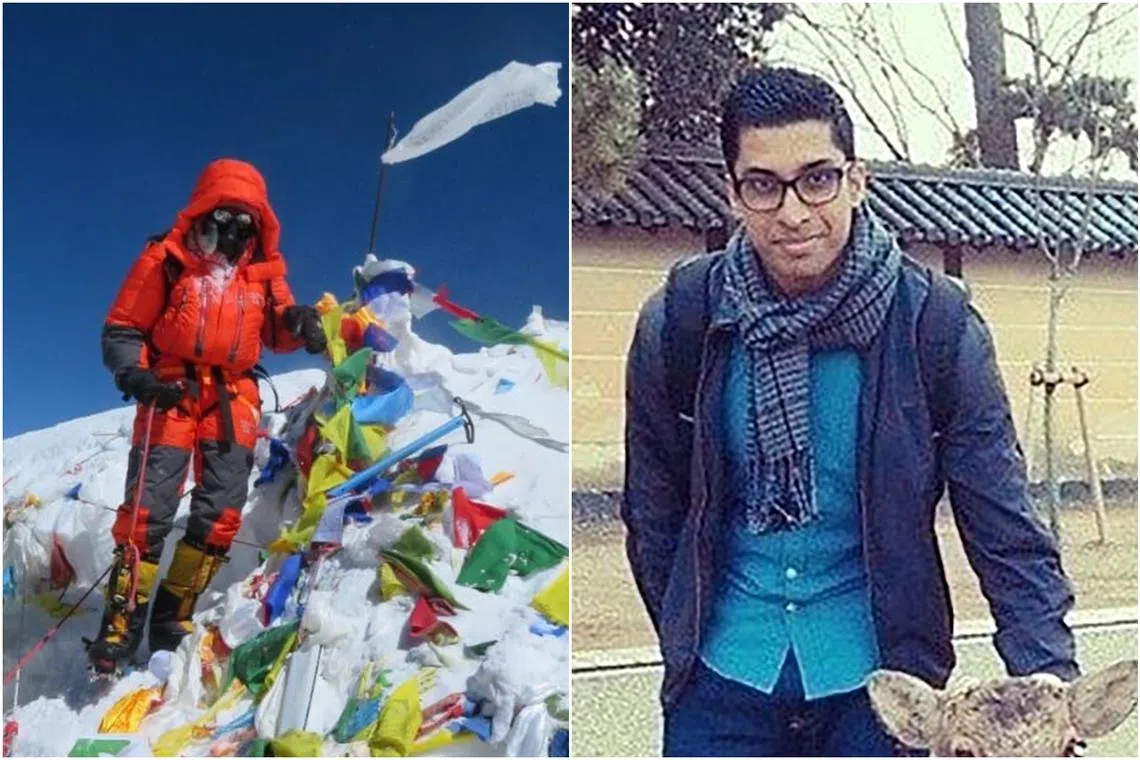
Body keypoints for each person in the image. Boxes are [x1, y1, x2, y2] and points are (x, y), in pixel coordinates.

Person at [621, 67, 1078, 757]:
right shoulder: (683, 322)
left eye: (818, 178)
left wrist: (1047, 677)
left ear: (856, 180)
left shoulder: (936, 327)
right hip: (721, 685)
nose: (795, 211)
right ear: (733, 193)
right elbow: (653, 512)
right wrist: (685, 634)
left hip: (883, 690)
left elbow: (1002, 521)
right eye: (763, 185)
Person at [89, 158, 328, 675]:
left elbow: (278, 333)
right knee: (147, 508)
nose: (234, 231)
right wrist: (135, 374)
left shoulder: (264, 274)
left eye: (247, 222)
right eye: (225, 216)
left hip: (232, 398)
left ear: (260, 225)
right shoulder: (166, 256)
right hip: (169, 389)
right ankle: (122, 618)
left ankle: (174, 614)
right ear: (204, 210)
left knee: (220, 511)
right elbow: (125, 326)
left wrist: (300, 323)